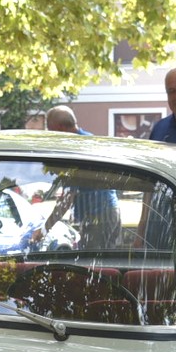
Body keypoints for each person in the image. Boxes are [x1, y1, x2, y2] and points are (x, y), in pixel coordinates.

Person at [43, 105, 120, 248]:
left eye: (50, 130)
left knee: (92, 266)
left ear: (60, 128)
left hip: (98, 217)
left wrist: (44, 229)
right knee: (106, 264)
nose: (50, 136)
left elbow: (67, 199)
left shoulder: (76, 150)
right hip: (108, 213)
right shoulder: (88, 139)